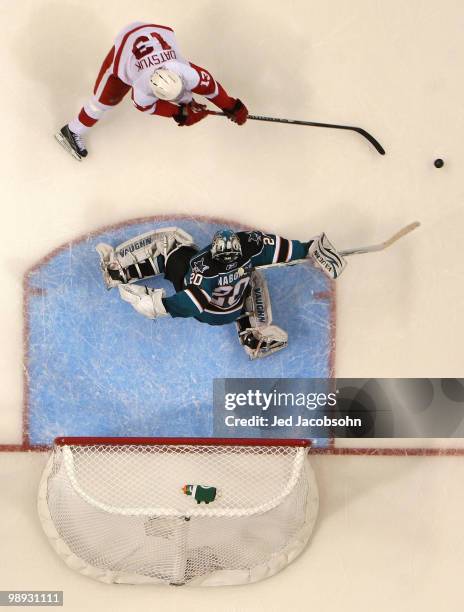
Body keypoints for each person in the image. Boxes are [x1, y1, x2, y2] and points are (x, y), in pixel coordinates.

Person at [96, 227, 345, 359]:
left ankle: (118, 271)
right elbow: (279, 250)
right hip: (233, 309)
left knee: (172, 244)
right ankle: (253, 336)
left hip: (209, 313)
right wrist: (307, 249)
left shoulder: (202, 269)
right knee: (254, 278)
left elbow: (191, 304)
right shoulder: (250, 248)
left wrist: (157, 305)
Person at [56, 22, 249, 160]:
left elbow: (211, 87)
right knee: (103, 103)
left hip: (154, 37)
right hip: (124, 49)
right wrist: (180, 113)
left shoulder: (187, 72)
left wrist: (231, 105)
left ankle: (185, 100)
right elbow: (148, 107)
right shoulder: (142, 89)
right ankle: (71, 130)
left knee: (186, 94)